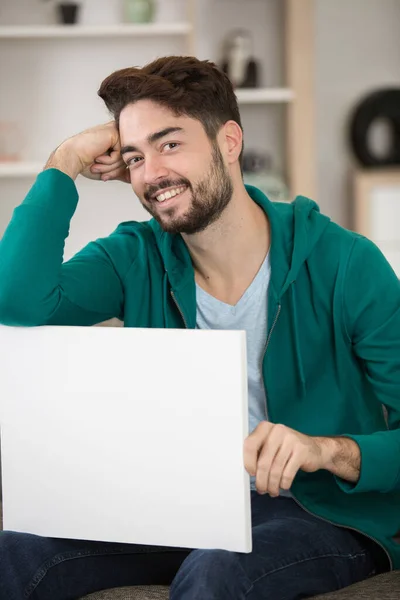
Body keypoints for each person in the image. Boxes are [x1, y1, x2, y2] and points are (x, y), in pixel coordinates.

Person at [0, 55, 398, 600]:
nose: (151, 174)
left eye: (170, 144)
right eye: (135, 156)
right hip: (177, 507)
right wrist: (64, 161)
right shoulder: (133, 256)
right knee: (14, 552)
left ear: (229, 141)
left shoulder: (346, 263)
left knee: (218, 571)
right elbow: (16, 301)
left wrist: (323, 450)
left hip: (317, 510)